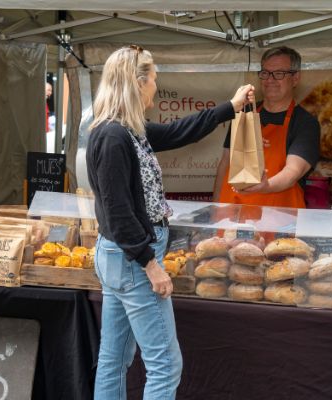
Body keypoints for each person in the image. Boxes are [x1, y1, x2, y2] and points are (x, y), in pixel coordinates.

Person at [86, 45, 254, 400]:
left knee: (113, 359)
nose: (156, 88)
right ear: (137, 82)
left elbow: (182, 131)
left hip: (119, 259)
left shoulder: (127, 130)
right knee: (165, 365)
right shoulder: (115, 136)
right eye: (154, 80)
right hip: (133, 261)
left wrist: (231, 106)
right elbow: (118, 212)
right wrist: (150, 264)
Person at [213, 46, 320, 208]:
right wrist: (215, 209)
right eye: (265, 73)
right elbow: (225, 163)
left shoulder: (305, 123)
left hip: (279, 222)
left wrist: (265, 186)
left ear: (295, 78)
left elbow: (292, 172)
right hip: (232, 215)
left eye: (279, 73)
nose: (270, 80)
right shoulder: (244, 113)